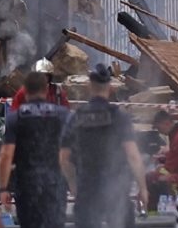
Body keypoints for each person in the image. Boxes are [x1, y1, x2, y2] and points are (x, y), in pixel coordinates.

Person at [60, 64, 148, 228]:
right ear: (110, 87)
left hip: (87, 187)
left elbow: (64, 159)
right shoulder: (119, 117)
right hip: (116, 188)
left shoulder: (76, 117)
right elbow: (133, 155)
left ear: (89, 86)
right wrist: (142, 188)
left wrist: (73, 184)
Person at [0, 71, 68, 228]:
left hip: (26, 184)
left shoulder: (15, 117)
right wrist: (74, 181)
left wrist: (3, 188)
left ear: (25, 90)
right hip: (54, 183)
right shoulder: (62, 115)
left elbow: (6, 155)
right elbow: (67, 153)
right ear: (46, 89)